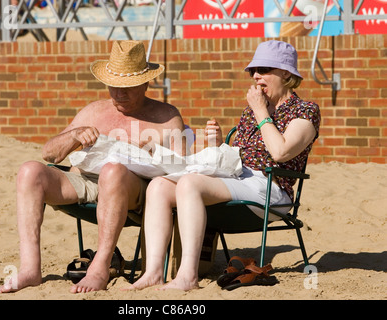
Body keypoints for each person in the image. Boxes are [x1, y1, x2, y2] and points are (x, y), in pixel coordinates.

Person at [128, 40, 321, 291]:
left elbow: (281, 152)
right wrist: (218, 145)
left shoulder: (304, 110)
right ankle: (153, 271)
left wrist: (261, 111)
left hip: (271, 189)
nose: (255, 76)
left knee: (188, 184)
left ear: (286, 73)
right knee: (159, 186)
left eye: (263, 70)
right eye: (253, 71)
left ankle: (188, 274)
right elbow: (238, 157)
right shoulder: (252, 110)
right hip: (240, 178)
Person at [0, 40, 186, 294]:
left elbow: (182, 169)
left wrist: (150, 151)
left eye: (127, 88)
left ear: (145, 83)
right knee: (30, 171)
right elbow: (49, 153)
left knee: (113, 170)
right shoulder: (95, 110)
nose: (119, 94)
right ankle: (30, 268)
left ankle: (100, 265)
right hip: (86, 181)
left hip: (135, 189)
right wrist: (75, 135)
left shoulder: (166, 116)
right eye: (114, 86)